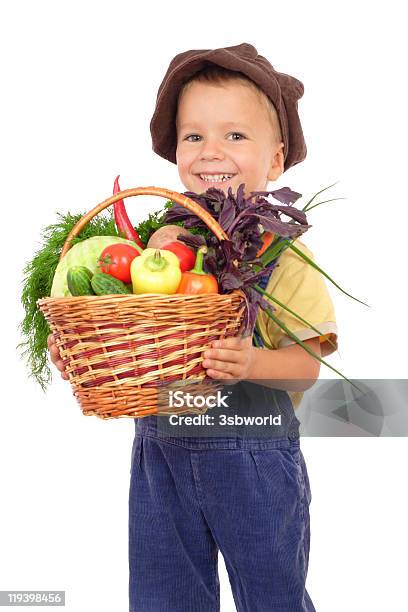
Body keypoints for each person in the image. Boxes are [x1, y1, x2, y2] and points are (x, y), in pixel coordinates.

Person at [48, 43, 338, 611]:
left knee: (272, 593)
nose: (212, 152)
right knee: (164, 595)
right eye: (193, 136)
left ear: (275, 161)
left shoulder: (284, 257)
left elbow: (306, 367)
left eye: (235, 136)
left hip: (254, 450)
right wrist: (83, 352)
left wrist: (253, 362)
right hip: (161, 452)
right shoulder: (160, 247)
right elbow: (132, 342)